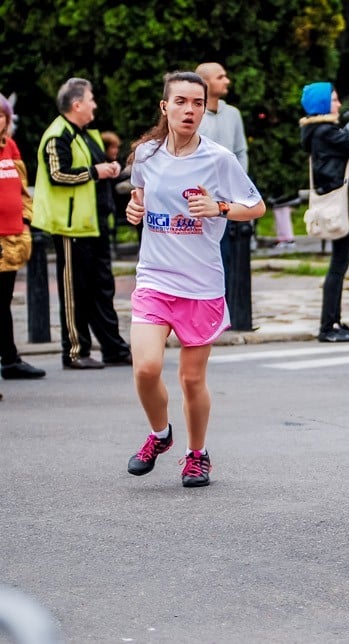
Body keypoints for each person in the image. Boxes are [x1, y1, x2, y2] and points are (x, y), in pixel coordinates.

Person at [123, 71, 265, 487]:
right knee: (146, 368)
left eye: (197, 103)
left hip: (200, 284)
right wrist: (136, 210)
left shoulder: (219, 158)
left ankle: (197, 453)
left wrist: (219, 208)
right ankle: (160, 434)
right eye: (181, 102)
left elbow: (254, 206)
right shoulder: (146, 155)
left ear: (205, 109)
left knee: (190, 379)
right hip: (154, 276)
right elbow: (141, 198)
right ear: (165, 107)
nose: (189, 110)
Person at [32, 77, 132, 369]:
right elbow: (57, 174)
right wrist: (94, 171)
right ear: (76, 104)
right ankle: (75, 351)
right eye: (90, 100)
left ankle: (114, 348)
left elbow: (95, 170)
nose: (94, 105)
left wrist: (111, 170)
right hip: (70, 227)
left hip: (94, 223)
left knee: (102, 288)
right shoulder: (58, 135)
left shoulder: (86, 134)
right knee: (75, 292)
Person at [300, 82, 349, 342]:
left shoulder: (318, 131)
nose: (338, 103)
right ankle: (327, 326)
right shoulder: (324, 132)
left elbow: (348, 141)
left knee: (339, 265)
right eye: (333, 99)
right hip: (341, 204)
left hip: (339, 202)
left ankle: (333, 321)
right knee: (338, 266)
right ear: (322, 104)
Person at [195, 63, 252, 306]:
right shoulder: (195, 115)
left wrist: (238, 188)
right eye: (221, 77)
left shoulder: (233, 114)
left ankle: (223, 307)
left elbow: (241, 151)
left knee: (226, 255)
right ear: (205, 83)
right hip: (199, 198)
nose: (226, 81)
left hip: (226, 200)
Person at [0, 93, 45, 381]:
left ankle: (10, 358)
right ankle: (10, 358)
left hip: (14, 236)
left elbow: (22, 188)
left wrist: (26, 220)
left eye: (1, 115)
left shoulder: (11, 147)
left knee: (3, 301)